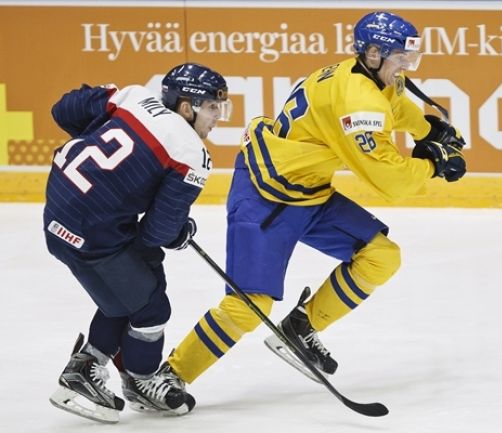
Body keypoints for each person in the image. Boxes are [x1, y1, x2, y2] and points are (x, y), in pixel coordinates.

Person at [166, 10, 466, 390]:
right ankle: (170, 375)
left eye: (409, 59)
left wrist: (427, 129)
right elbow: (391, 181)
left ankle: (299, 327)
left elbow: (394, 100)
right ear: (373, 54)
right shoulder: (358, 103)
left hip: (307, 189)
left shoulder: (360, 74)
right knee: (248, 307)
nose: (405, 66)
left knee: (381, 256)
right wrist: (433, 164)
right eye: (400, 59)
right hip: (266, 194)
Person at [44, 63, 232, 423]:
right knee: (151, 308)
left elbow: (63, 109)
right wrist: (179, 230)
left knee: (140, 277)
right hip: (95, 230)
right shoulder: (191, 152)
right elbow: (158, 232)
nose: (217, 118)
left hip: (58, 211)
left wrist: (104, 161)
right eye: (211, 107)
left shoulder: (132, 96)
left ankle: (104, 366)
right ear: (186, 106)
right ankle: (132, 378)